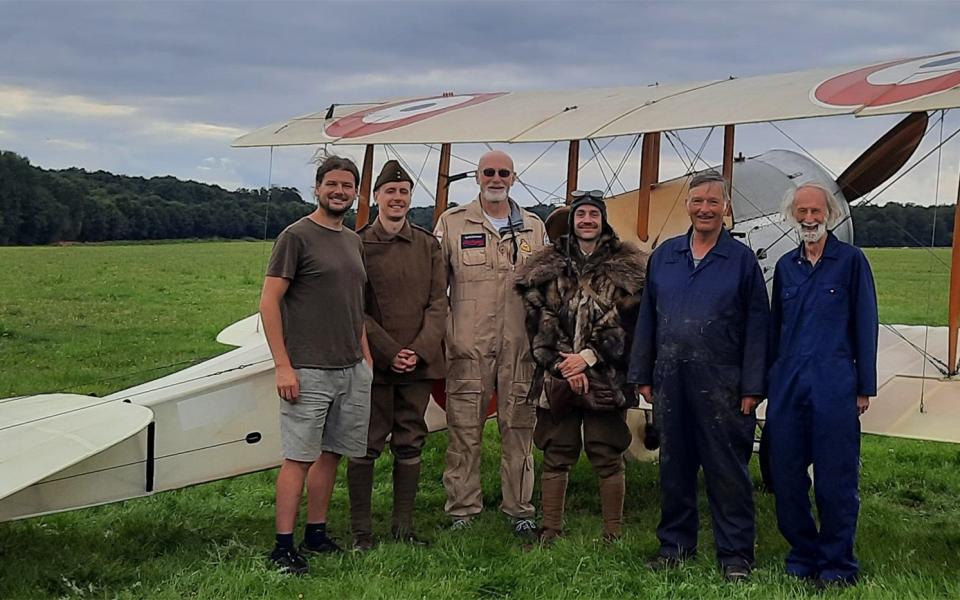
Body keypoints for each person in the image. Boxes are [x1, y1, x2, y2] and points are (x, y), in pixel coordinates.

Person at [628, 171, 769, 581]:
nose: (704, 208)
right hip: (671, 378)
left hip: (723, 383)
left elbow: (759, 326)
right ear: (687, 206)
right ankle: (675, 545)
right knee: (674, 467)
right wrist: (643, 373)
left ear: (725, 208)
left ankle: (736, 555)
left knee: (727, 472)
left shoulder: (741, 260)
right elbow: (647, 319)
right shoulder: (666, 255)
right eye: (697, 201)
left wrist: (752, 386)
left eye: (713, 202)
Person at [259, 155, 374, 574]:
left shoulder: (351, 239)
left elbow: (355, 304)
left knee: (331, 455)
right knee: (298, 457)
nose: (339, 191)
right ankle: (282, 547)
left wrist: (366, 358)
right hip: (308, 368)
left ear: (355, 193)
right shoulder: (296, 236)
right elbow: (269, 302)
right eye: (332, 184)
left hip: (351, 368)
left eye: (347, 185)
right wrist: (283, 366)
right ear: (317, 188)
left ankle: (317, 532)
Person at [515, 190, 646, 543]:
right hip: (557, 373)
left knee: (607, 451)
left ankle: (612, 533)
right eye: (580, 214)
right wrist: (563, 366)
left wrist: (587, 358)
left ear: (603, 220)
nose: (587, 220)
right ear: (571, 221)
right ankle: (551, 529)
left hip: (606, 373)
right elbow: (538, 319)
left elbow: (627, 319)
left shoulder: (628, 267)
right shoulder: (547, 267)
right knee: (556, 452)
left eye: (593, 214)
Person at [766, 183, 878, 588]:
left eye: (816, 211)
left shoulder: (850, 262)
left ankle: (837, 565)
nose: (809, 219)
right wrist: (770, 381)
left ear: (829, 214)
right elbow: (775, 326)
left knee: (835, 479)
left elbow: (865, 323)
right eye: (802, 212)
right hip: (789, 383)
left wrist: (863, 386)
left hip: (834, 382)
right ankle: (802, 554)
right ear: (791, 216)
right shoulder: (785, 267)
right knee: (786, 475)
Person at [434, 150, 547, 540]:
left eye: (503, 173)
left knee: (519, 428)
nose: (495, 178)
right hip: (468, 346)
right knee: (464, 428)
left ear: (513, 178)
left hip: (519, 347)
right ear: (478, 177)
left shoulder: (534, 227)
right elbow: (436, 289)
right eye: (488, 172)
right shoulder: (451, 223)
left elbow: (546, 290)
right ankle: (463, 507)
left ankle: (520, 508)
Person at [348, 160, 447, 550]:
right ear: (376, 197)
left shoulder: (427, 243)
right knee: (366, 443)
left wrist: (419, 351)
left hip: (418, 364)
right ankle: (361, 532)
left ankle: (403, 527)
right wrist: (389, 351)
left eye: (403, 192)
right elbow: (355, 307)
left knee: (411, 440)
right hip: (374, 362)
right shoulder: (356, 243)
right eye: (390, 192)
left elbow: (438, 302)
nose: (397, 198)